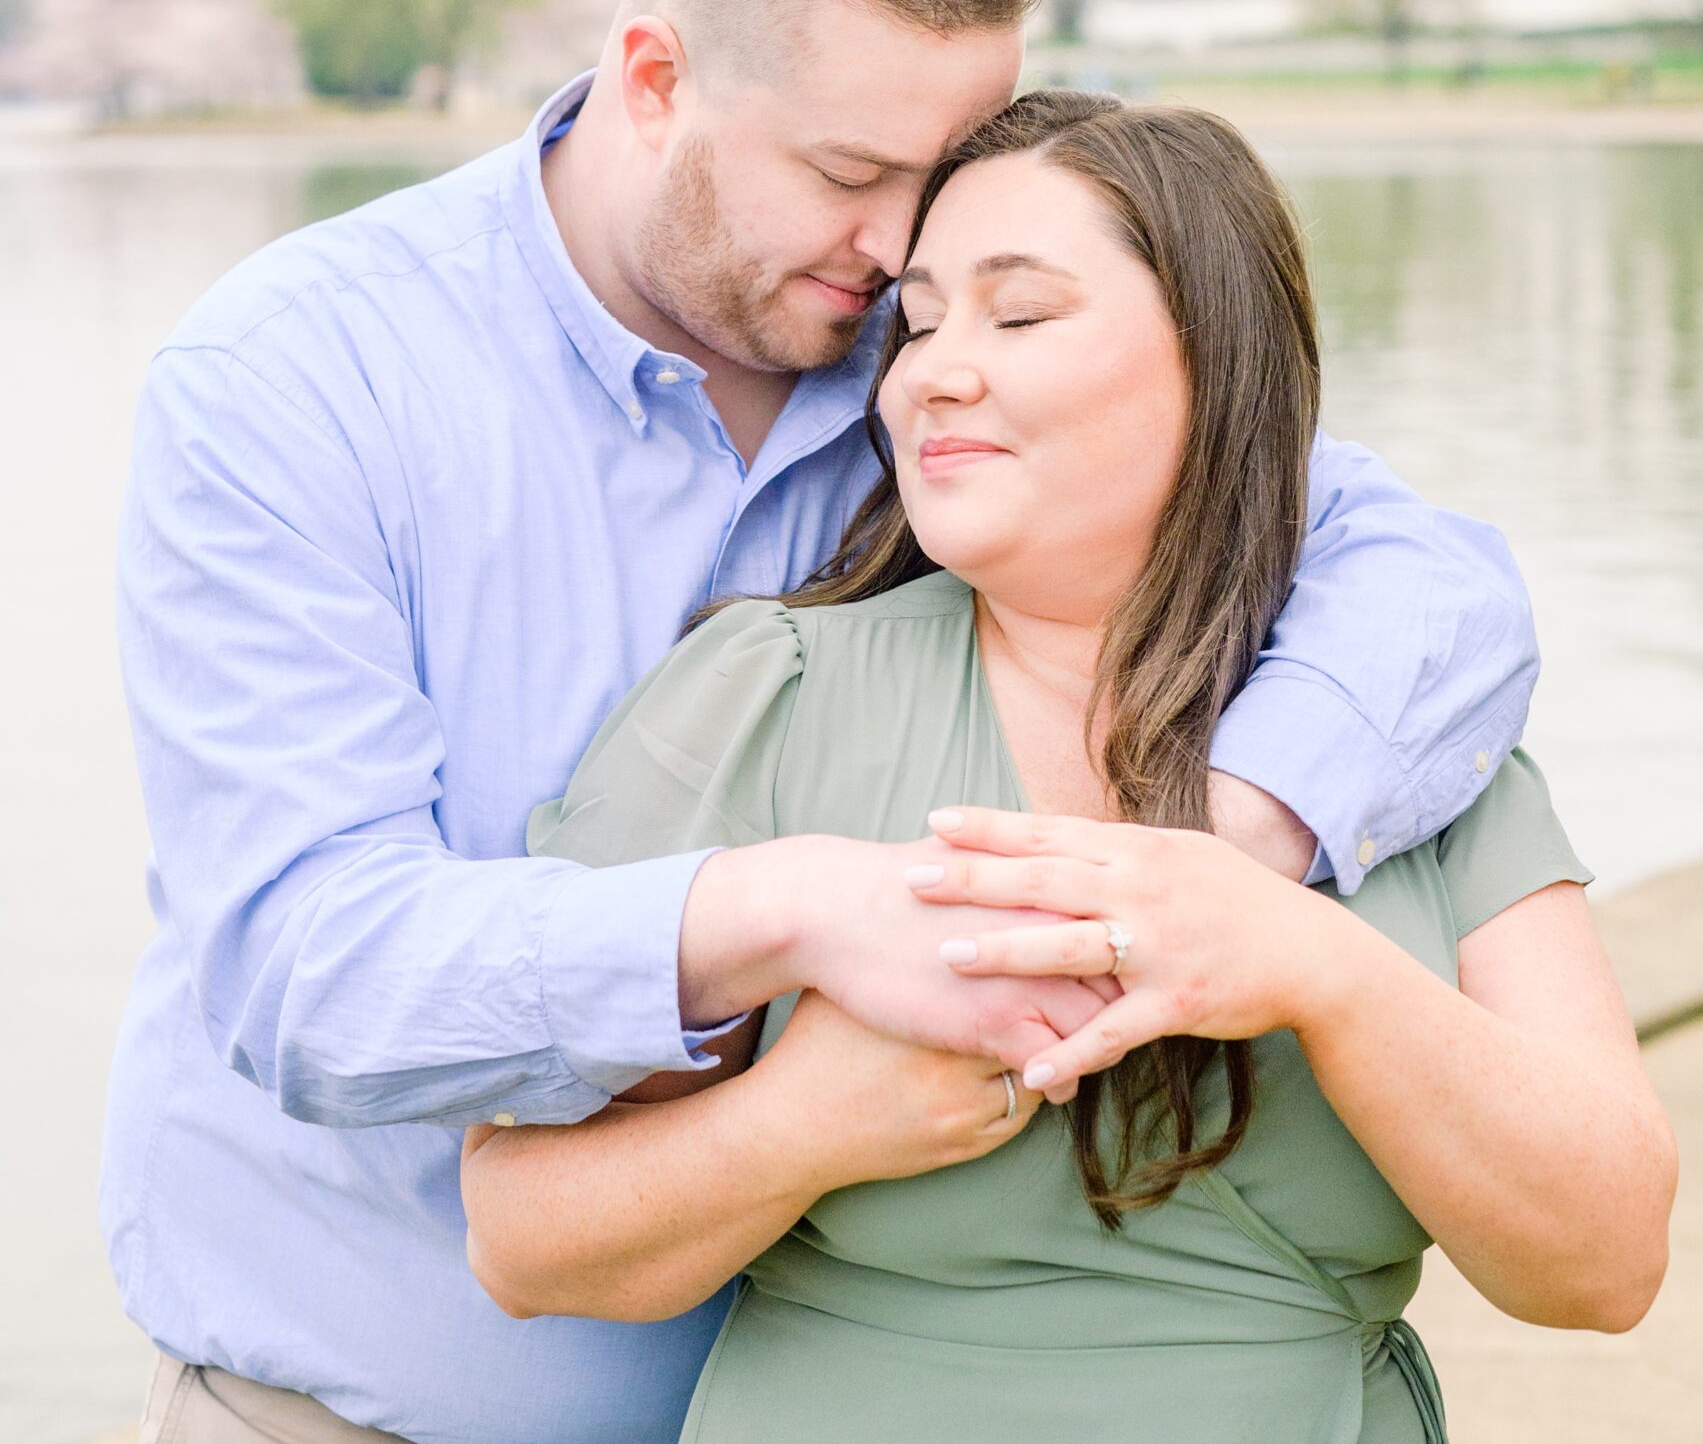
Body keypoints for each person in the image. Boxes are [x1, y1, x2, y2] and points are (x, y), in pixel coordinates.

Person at [112, 0, 1538, 1444]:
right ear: (652, 77)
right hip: (358, 1416)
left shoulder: (941, 360)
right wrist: (779, 910)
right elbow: (307, 968)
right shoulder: (298, 378)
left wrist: (1234, 842)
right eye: (852, 168)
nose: (900, 246)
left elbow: (1421, 575)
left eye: (944, 169)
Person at [467, 95, 1676, 1442]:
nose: (930, 372)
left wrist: (1326, 977)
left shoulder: (1407, 743)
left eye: (1020, 315)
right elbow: (523, 1238)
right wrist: (799, 1124)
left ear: (1217, 362)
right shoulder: (771, 699)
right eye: (917, 324)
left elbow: (1608, 1265)